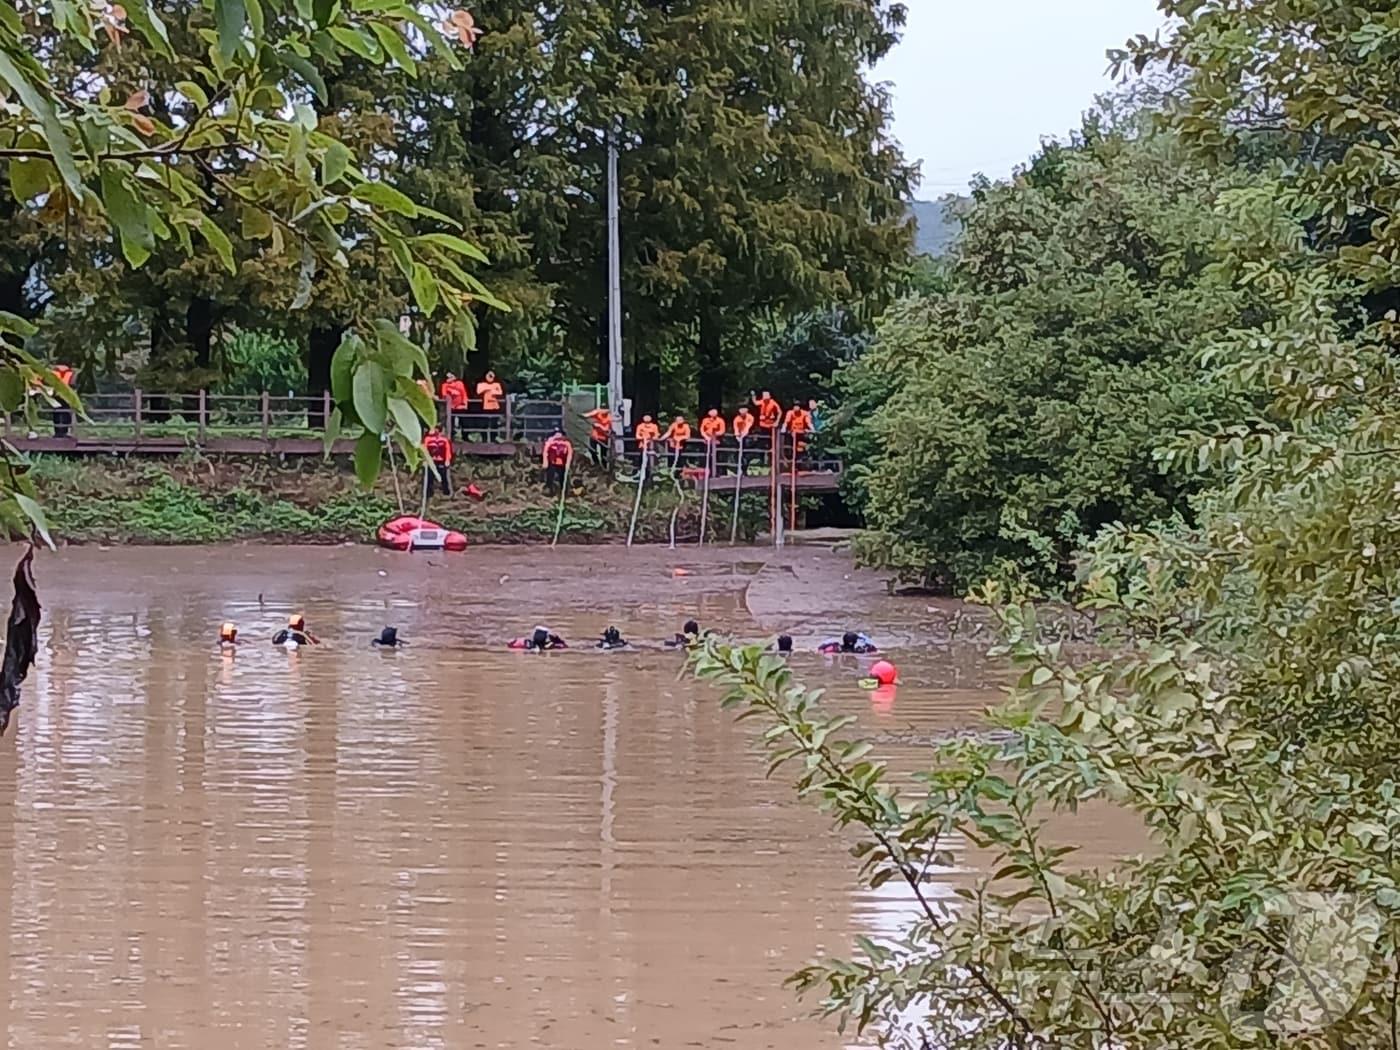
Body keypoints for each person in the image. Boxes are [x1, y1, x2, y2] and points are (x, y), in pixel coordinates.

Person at [424, 424, 453, 499]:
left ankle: (446, 492)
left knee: (444, 477)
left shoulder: (444, 440)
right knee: (429, 478)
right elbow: (424, 450)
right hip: (431, 461)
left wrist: (447, 460)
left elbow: (448, 451)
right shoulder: (428, 439)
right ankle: (429, 493)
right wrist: (425, 460)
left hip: (441, 461)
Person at [542, 427, 574, 494]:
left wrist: (568, 463)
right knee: (550, 474)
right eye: (556, 434)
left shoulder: (566, 443)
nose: (558, 436)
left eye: (559, 434)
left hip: (562, 463)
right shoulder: (550, 442)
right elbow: (545, 452)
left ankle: (565, 490)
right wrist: (545, 462)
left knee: (563, 476)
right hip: (552, 462)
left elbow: (569, 454)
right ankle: (549, 488)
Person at [439, 372, 470, 438]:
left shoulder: (459, 383)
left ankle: (465, 436)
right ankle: (451, 436)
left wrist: (464, 404)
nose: (450, 378)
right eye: (448, 377)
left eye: (451, 376)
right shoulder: (444, 385)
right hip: (451, 407)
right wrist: (451, 392)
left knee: (463, 421)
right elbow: (444, 395)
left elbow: (464, 394)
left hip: (460, 406)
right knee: (450, 421)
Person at [476, 370, 504, 440]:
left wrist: (490, 390)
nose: (490, 377)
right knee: (484, 423)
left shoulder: (496, 384)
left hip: (494, 406)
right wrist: (489, 389)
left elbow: (500, 392)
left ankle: (493, 438)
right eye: (489, 375)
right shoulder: (481, 384)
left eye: (492, 375)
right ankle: (484, 438)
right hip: (484, 406)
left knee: (494, 423)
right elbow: (478, 391)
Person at [51, 362, 75, 437]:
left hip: (56, 394)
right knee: (66, 413)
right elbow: (72, 383)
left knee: (56, 413)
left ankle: (57, 432)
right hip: (67, 395)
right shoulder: (70, 372)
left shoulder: (54, 371)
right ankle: (65, 431)